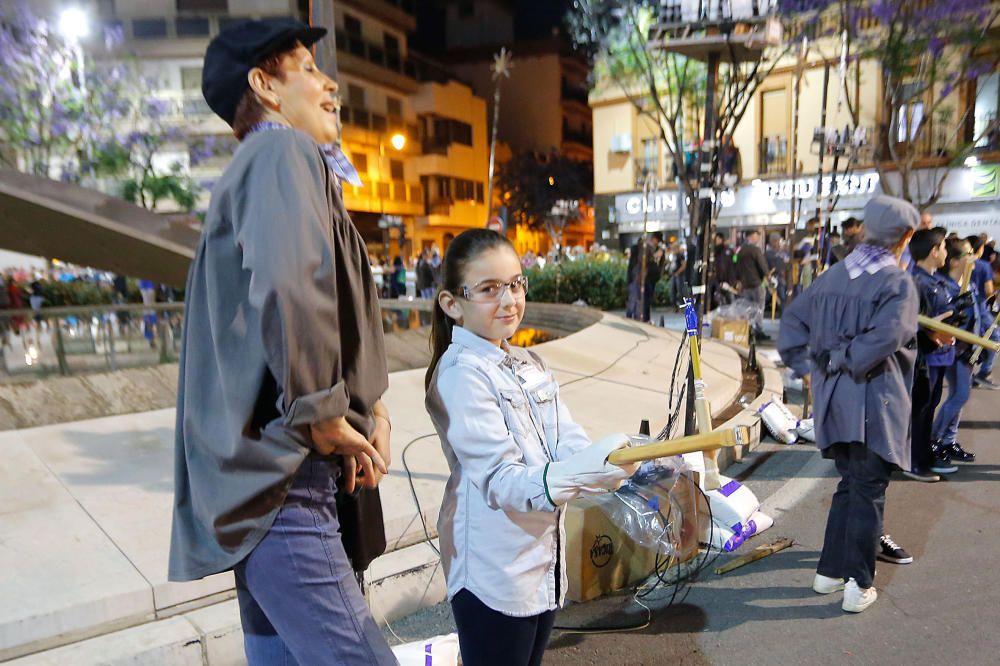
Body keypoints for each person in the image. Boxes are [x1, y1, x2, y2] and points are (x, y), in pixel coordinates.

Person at [168, 18, 397, 664]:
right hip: (285, 486)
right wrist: (324, 412)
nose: (330, 85)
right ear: (265, 85)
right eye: (308, 69)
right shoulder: (279, 153)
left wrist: (369, 406)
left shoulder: (258, 169)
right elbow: (293, 286)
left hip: (266, 486)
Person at [424, 229, 638, 666]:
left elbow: (567, 439)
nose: (509, 301)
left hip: (542, 567)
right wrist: (585, 472)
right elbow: (501, 480)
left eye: (516, 283)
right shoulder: (461, 372)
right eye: (488, 289)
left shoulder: (526, 362)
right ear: (452, 303)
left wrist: (616, 460)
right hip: (493, 575)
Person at [777, 195, 920, 614]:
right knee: (869, 490)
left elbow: (791, 325)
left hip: (834, 404)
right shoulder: (897, 283)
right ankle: (858, 583)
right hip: (876, 401)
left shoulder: (833, 276)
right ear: (906, 236)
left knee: (850, 483)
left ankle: (828, 573)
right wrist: (845, 358)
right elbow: (886, 339)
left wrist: (813, 366)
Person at [905, 228, 958, 482]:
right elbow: (910, 325)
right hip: (921, 359)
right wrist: (934, 331)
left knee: (928, 407)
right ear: (934, 251)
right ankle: (914, 463)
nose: (946, 253)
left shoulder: (934, 280)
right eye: (944, 247)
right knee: (920, 411)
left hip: (935, 354)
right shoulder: (915, 281)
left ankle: (923, 458)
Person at [930, 237, 981, 464]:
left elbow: (979, 315)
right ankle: (934, 440)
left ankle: (948, 441)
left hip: (969, 349)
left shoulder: (968, 283)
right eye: (969, 254)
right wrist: (963, 348)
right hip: (956, 350)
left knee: (958, 394)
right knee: (960, 394)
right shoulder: (947, 288)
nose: (974, 258)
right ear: (955, 261)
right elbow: (949, 324)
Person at [966, 234, 999, 389]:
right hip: (980, 308)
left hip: (964, 308)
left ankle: (970, 373)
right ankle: (983, 372)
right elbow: (988, 290)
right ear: (980, 249)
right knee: (995, 338)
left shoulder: (961, 263)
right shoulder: (983, 266)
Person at [734, 228, 770, 339]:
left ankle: (749, 329)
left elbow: (735, 264)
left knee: (748, 308)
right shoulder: (755, 250)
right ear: (751, 236)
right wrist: (767, 274)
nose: (758, 238)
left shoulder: (739, 250)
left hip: (745, 284)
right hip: (756, 283)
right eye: (757, 235)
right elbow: (762, 264)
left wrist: (739, 280)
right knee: (759, 307)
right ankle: (758, 331)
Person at [626, 232, 665, 322]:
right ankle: (637, 317)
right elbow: (645, 261)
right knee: (637, 299)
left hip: (648, 278)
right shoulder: (643, 250)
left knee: (641, 300)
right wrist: (655, 256)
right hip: (642, 278)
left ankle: (640, 317)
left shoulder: (655, 249)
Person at [711, 231, 736, 309]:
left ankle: (731, 318)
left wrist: (733, 279)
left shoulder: (729, 251)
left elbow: (735, 263)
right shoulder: (713, 252)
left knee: (730, 300)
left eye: (718, 239)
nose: (717, 241)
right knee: (719, 300)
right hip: (717, 281)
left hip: (729, 281)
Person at [765, 232, 789, 312]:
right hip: (772, 278)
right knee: (767, 297)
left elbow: (787, 262)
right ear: (772, 241)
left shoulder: (783, 252)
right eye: (777, 241)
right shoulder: (768, 253)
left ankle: (785, 314)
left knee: (783, 298)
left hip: (781, 278)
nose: (778, 243)